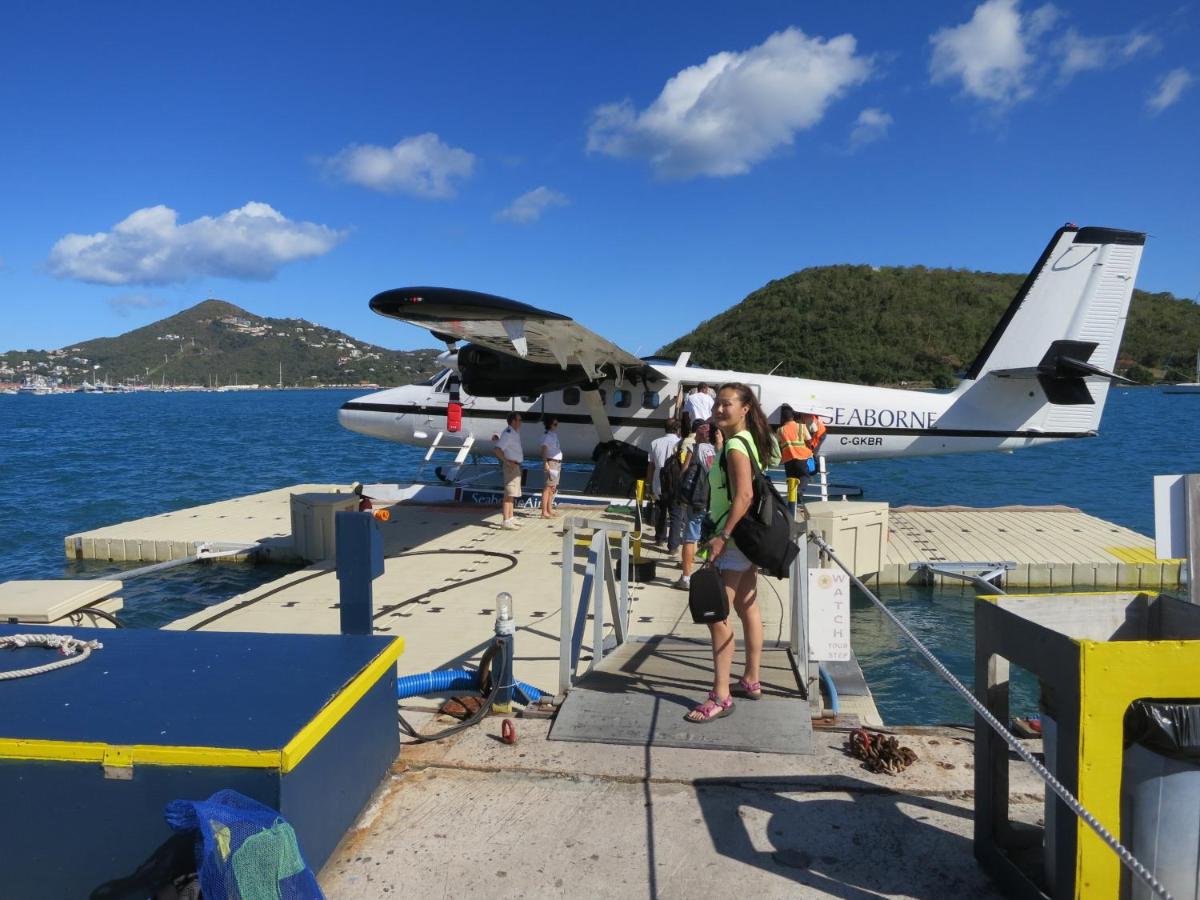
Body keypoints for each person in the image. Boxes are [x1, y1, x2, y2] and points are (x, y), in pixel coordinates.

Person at [685, 383, 772, 724]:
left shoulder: (736, 444)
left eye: (727, 404)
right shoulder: (747, 439)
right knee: (747, 605)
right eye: (717, 404)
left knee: (716, 615)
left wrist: (722, 537)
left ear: (745, 408)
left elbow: (745, 496)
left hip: (733, 539)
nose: (719, 409)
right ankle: (751, 678)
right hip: (745, 538)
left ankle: (720, 695)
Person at [672, 420, 716, 590]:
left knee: (690, 537)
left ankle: (686, 578)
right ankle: (711, 575)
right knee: (713, 537)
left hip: (697, 499)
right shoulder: (720, 449)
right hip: (715, 501)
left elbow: (684, 471)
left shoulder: (696, 449)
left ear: (701, 435)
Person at [645, 418, 681, 546]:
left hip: (658, 481)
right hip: (675, 482)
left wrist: (648, 484)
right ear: (677, 429)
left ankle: (660, 538)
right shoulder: (680, 443)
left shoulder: (655, 443)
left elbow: (651, 466)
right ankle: (673, 545)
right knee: (675, 514)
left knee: (660, 510)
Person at [492, 412, 524, 529]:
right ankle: (505, 521)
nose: (521, 423)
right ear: (513, 421)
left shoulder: (515, 432)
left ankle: (510, 517)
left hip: (516, 466)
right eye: (519, 420)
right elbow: (497, 449)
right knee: (509, 493)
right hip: (511, 466)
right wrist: (507, 462)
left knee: (513, 494)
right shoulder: (509, 433)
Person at [776, 404, 813, 492]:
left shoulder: (780, 430)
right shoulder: (801, 426)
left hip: (788, 459)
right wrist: (810, 451)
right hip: (801, 457)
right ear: (793, 416)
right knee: (804, 476)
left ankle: (792, 502)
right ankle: (799, 494)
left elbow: (778, 444)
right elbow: (809, 441)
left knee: (791, 481)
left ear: (783, 418)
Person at [540, 416, 562, 518]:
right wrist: (545, 463)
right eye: (555, 424)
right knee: (548, 487)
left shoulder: (554, 435)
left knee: (553, 487)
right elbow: (544, 449)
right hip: (551, 462)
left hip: (556, 462)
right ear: (550, 425)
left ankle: (550, 509)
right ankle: (544, 511)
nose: (556, 426)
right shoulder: (547, 436)